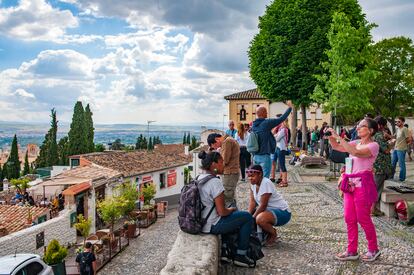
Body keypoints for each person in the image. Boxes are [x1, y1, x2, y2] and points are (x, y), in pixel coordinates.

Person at [327, 118, 381, 262]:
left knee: (363, 218)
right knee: (349, 218)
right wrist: (331, 137)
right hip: (350, 185)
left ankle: (373, 249)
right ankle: (352, 251)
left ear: (371, 130)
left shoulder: (374, 145)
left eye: (361, 126)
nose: (357, 128)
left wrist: (340, 137)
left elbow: (355, 153)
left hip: (363, 185)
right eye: (357, 126)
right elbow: (338, 148)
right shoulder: (355, 142)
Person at [197, 150, 254, 267]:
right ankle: (241, 255)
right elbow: (222, 212)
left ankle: (225, 250)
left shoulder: (199, 177)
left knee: (232, 216)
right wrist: (231, 210)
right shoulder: (215, 182)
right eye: (221, 162)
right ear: (213, 164)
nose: (224, 165)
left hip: (201, 222)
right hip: (212, 225)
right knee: (247, 217)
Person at [247, 165, 291, 247]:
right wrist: (248, 216)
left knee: (259, 219)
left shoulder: (266, 183)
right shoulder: (253, 185)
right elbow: (252, 202)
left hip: (283, 212)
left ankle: (273, 234)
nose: (250, 178)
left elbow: (263, 205)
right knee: (249, 215)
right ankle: (264, 233)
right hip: (269, 211)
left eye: (252, 176)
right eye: (249, 176)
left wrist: (252, 218)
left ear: (260, 174)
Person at [251, 101, 292, 178]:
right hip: (264, 156)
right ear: (262, 113)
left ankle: (255, 190)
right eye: (266, 112)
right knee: (264, 180)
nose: (267, 114)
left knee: (256, 179)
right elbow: (281, 119)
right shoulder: (266, 123)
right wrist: (290, 108)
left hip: (255, 156)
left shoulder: (254, 125)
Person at [207, 133, 240, 205]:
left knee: (227, 198)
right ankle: (237, 214)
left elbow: (224, 161)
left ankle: (232, 215)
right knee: (231, 197)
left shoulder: (227, 142)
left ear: (217, 139)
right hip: (232, 172)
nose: (216, 148)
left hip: (230, 173)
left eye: (215, 146)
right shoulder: (229, 140)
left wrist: (214, 170)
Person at [372, 116, 392, 216]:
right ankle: (372, 209)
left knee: (376, 186)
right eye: (384, 125)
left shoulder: (373, 134)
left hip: (376, 164)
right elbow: (386, 150)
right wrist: (392, 143)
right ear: (380, 125)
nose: (385, 127)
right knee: (377, 188)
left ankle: (373, 208)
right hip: (380, 165)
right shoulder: (379, 136)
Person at [271, 118, 290, 187]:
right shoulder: (281, 130)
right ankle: (283, 180)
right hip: (278, 148)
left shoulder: (284, 130)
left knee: (282, 164)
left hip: (281, 148)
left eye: (281, 122)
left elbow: (276, 138)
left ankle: (285, 181)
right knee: (278, 163)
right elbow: (274, 135)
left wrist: (275, 136)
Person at [392, 117, 409, 181]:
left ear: (403, 122)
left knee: (401, 164)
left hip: (401, 149)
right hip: (396, 148)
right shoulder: (397, 129)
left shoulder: (405, 129)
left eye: (399, 121)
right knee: (393, 163)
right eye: (396, 122)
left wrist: (404, 145)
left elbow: (408, 139)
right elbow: (394, 137)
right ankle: (391, 176)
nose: (397, 123)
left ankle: (402, 178)